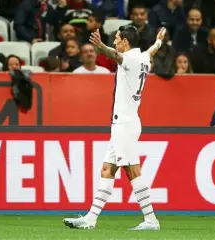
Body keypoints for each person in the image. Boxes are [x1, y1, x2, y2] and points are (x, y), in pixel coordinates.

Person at [63, 25, 167, 230]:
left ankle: (151, 220)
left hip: (124, 124)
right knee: (107, 169)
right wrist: (159, 41)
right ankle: (90, 219)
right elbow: (152, 49)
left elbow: (115, 56)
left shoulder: (130, 58)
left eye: (117, 39)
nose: (115, 42)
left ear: (125, 42)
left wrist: (100, 46)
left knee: (132, 171)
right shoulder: (143, 57)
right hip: (124, 123)